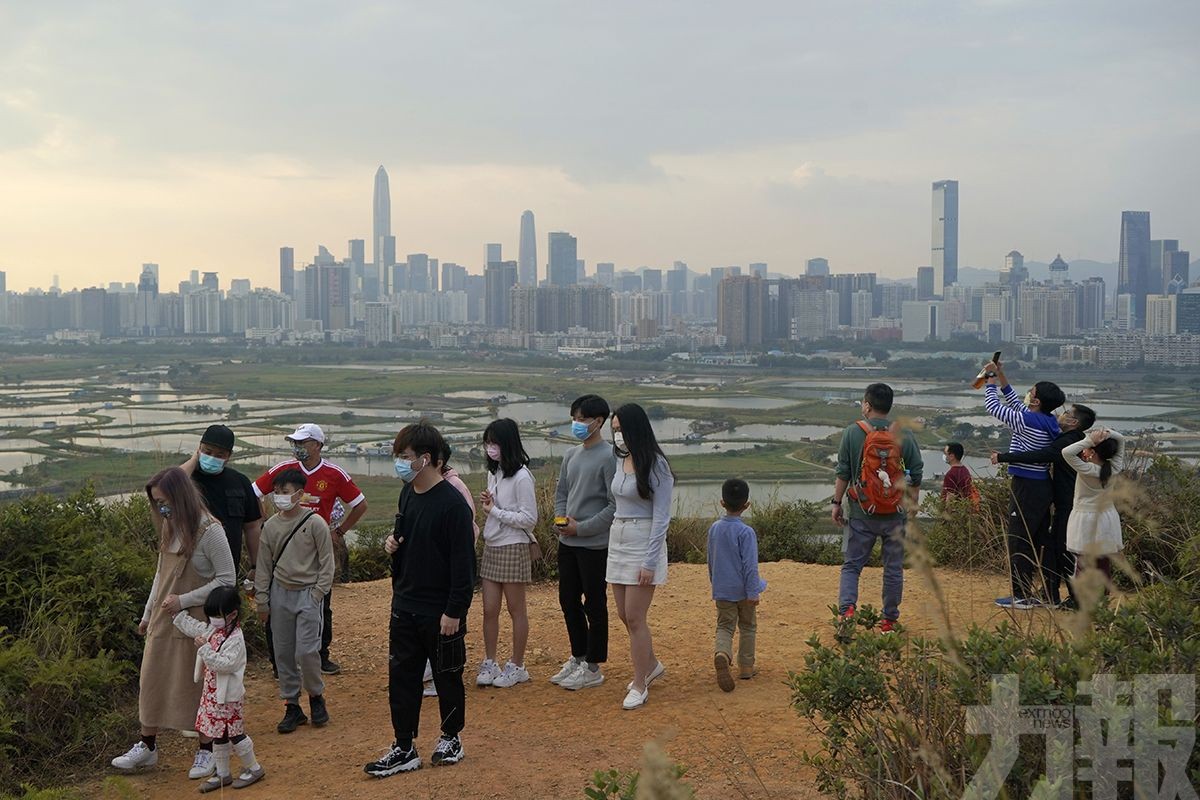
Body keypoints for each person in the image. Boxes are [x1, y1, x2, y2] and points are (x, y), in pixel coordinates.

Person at [363, 422, 475, 777]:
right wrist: (393, 546)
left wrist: (454, 611)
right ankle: (404, 746)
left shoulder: (453, 506)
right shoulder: (408, 493)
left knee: (447, 676)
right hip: (405, 603)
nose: (398, 462)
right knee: (402, 677)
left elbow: (464, 566)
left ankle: (450, 737)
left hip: (440, 611)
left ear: (425, 459)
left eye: (404, 456)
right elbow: (406, 537)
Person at [111, 467, 236, 779]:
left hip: (195, 623)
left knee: (196, 686)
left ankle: (207, 751)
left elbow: (226, 580)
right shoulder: (170, 526)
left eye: (164, 501)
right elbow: (160, 575)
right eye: (156, 503)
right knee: (151, 680)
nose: (161, 508)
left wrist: (184, 600)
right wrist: (148, 613)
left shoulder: (210, 530)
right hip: (164, 619)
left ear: (181, 496)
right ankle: (147, 746)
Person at [253, 423, 367, 675]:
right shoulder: (284, 469)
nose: (297, 447)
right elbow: (254, 492)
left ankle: (320, 656)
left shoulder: (334, 474)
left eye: (302, 442)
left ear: (317, 445)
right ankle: (280, 662)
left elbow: (359, 504)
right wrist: (264, 523)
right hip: (284, 545)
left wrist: (339, 532)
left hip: (317, 545)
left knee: (321, 601)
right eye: (294, 442)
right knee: (279, 600)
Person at [831, 383, 923, 633]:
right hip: (896, 513)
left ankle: (847, 612)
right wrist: (912, 503)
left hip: (862, 512)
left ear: (868, 405)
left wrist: (837, 504)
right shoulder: (902, 434)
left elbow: (843, 472)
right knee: (892, 568)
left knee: (852, 565)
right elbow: (916, 471)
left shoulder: (853, 432)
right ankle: (888, 621)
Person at [254, 468, 334, 734]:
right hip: (280, 594)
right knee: (284, 652)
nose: (279, 497)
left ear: (300, 494)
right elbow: (263, 566)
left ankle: (316, 697)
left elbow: (327, 563)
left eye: (285, 492)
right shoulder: (271, 527)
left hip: (308, 593)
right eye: (276, 492)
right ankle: (292, 705)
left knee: (307, 651)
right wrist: (263, 600)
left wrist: (318, 594)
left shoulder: (315, 523)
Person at [994, 403, 1096, 609]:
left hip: (1069, 504)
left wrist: (1004, 457)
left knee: (1064, 550)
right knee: (1055, 547)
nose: (1061, 413)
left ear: (1073, 422)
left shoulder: (1068, 441)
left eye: (1067, 413)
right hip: (1066, 502)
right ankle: (1052, 594)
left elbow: (1042, 454)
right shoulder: (1073, 438)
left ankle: (1076, 599)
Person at [980, 361, 1065, 609]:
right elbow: (1015, 403)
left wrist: (990, 379)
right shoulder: (1047, 420)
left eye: (1032, 392)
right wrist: (1001, 375)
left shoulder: (1027, 422)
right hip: (1040, 486)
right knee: (1038, 538)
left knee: (1019, 539)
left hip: (1027, 487)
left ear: (1036, 401)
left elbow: (993, 406)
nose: (1028, 393)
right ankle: (1046, 591)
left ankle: (1020, 596)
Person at [607, 403, 674, 711]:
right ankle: (651, 664)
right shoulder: (620, 459)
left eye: (621, 429)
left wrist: (649, 561)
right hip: (619, 538)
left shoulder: (656, 464)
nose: (618, 435)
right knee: (623, 613)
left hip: (642, 542)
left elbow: (661, 517)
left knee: (635, 617)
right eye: (615, 429)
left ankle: (640, 682)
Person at [552, 394, 616, 692]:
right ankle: (578, 656)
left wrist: (583, 528)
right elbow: (562, 491)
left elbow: (612, 506)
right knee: (568, 600)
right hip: (569, 541)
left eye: (581, 419)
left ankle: (593, 665)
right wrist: (561, 519)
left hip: (594, 545)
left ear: (599, 421)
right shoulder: (571, 455)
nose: (576, 424)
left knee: (594, 603)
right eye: (574, 418)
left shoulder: (609, 456)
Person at [172, 586, 265, 792]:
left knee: (235, 733)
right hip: (213, 696)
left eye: (217, 616)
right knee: (218, 734)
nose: (212, 620)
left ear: (232, 614)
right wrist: (178, 617)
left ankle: (254, 767)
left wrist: (204, 649)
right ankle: (223, 773)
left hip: (228, 698)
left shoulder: (236, 639)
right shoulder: (216, 630)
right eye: (211, 616)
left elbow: (225, 664)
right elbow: (195, 628)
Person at [475, 418, 538, 689]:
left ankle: (517, 664)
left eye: (495, 442)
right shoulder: (496, 472)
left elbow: (529, 518)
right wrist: (491, 504)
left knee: (515, 609)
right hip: (492, 544)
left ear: (507, 443)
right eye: (488, 442)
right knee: (489, 609)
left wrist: (494, 511)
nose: (491, 448)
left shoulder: (522, 476)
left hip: (513, 545)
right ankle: (490, 661)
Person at [423, 443, 478, 698]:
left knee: (446, 629)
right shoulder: (418, 486)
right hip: (427, 573)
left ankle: (440, 678)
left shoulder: (455, 489)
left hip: (447, 572)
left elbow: (466, 534)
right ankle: (427, 674)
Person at [180, 424, 263, 578]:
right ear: (199, 448)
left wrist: (255, 565)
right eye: (208, 451)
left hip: (227, 572)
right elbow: (171, 484)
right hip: (189, 570)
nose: (212, 457)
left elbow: (252, 527)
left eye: (220, 455)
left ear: (228, 456)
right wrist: (194, 460)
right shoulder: (187, 479)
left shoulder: (240, 482)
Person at [707, 478, 766, 693]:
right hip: (744, 591)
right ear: (747, 505)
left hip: (722, 589)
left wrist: (715, 583)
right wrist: (753, 592)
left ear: (722, 503)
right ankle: (746, 668)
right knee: (748, 627)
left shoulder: (714, 528)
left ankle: (722, 654)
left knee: (724, 626)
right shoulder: (746, 532)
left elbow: (710, 559)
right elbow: (750, 566)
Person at [1061, 428, 1126, 585]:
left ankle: (1082, 601)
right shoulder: (1114, 468)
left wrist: (1090, 440)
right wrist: (1109, 433)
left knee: (1083, 563)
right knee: (1103, 563)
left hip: (1085, 519)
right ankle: (1102, 600)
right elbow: (1122, 439)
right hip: (1107, 518)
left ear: (1093, 453)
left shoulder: (1087, 469)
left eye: (1087, 449)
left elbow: (1066, 452)